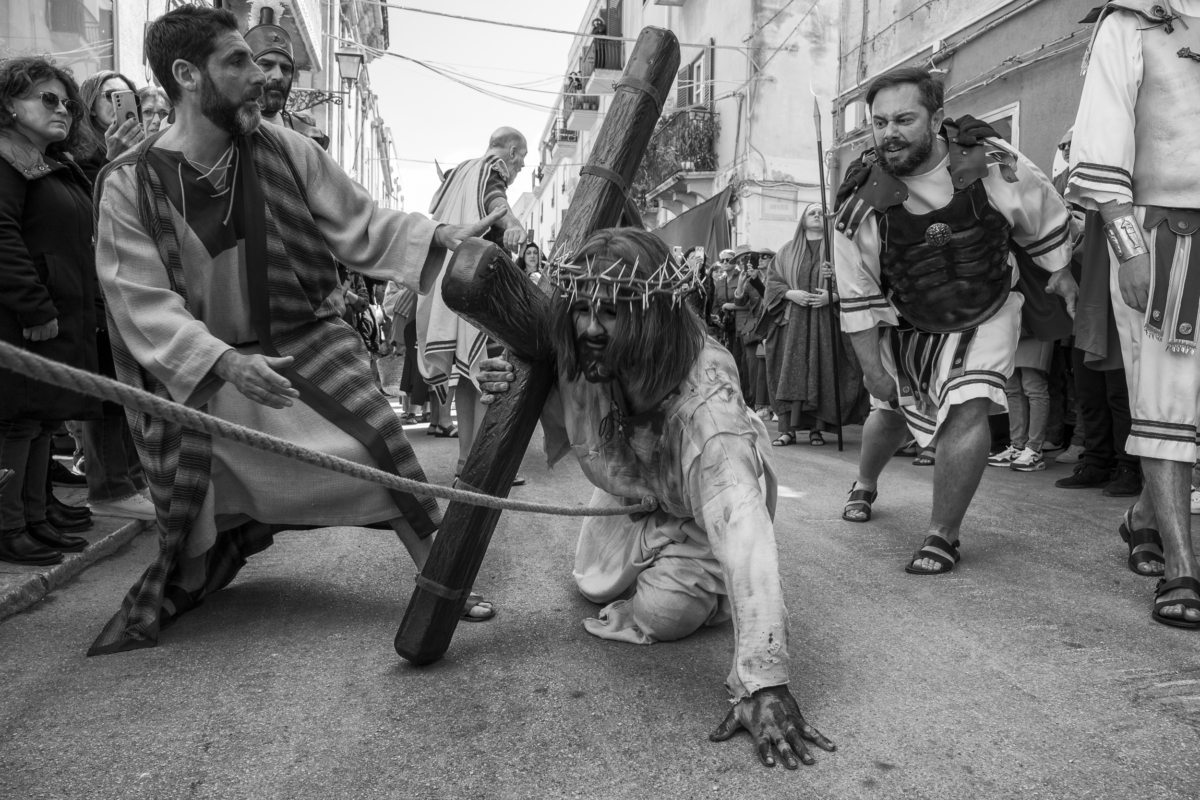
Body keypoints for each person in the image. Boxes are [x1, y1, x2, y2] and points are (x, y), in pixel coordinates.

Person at [89, 5, 502, 655]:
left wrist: (439, 236)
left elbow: (361, 221)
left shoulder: (284, 148)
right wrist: (224, 362)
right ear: (187, 76)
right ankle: (191, 578)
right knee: (195, 472)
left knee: (377, 439)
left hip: (303, 339)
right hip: (200, 365)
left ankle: (440, 572)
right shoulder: (127, 184)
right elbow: (139, 300)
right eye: (238, 60)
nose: (260, 75)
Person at [476, 227, 836, 769]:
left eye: (612, 313)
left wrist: (765, 682)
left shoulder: (709, 411)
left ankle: (708, 573)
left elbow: (742, 522)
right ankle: (673, 555)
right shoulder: (586, 346)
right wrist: (507, 375)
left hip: (704, 504)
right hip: (638, 491)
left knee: (665, 614)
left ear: (653, 317)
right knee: (593, 583)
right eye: (582, 310)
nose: (590, 328)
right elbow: (550, 385)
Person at [833, 68, 1077, 573]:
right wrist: (872, 371)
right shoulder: (860, 199)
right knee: (890, 414)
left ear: (936, 117)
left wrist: (1060, 272)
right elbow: (856, 292)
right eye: (879, 122)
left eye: (903, 119)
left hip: (987, 309)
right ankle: (866, 482)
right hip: (908, 322)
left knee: (968, 405)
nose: (889, 133)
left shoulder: (992, 163)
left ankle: (942, 534)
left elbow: (1044, 215)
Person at [1068, 0, 1200, 626]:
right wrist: (1127, 247)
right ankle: (1182, 567)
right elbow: (1103, 131)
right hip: (1167, 232)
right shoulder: (1131, 21)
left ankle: (1144, 517)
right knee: (1165, 397)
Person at [0, 56, 102, 565]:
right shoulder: (5, 159)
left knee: (41, 420)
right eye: (47, 98)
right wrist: (35, 307)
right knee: (16, 422)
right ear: (9, 104)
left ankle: (34, 517)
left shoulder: (46, 162)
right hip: (22, 319)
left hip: (55, 314)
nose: (62, 108)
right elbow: (2, 238)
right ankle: (8, 527)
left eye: (67, 103)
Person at [417, 127, 527, 479]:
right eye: (522, 160)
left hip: (451, 281)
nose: (521, 168)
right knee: (489, 374)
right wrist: (512, 222)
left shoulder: (460, 171)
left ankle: (466, 461)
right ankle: (482, 465)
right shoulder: (492, 168)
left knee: (468, 374)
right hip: (481, 286)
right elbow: (495, 200)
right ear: (512, 151)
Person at [762, 203, 865, 447]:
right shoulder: (787, 251)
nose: (817, 215)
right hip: (793, 324)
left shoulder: (838, 250)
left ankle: (817, 429)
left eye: (821, 212)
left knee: (823, 371)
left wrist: (834, 295)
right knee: (790, 373)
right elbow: (772, 283)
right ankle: (788, 430)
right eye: (812, 212)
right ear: (803, 220)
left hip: (824, 322)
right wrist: (790, 294)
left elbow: (857, 279)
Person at [245, 18, 329, 150]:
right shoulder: (226, 129)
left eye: (285, 68)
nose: (278, 76)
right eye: (267, 65)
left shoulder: (304, 132)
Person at [75, 70, 143, 184]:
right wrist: (112, 157)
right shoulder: (83, 154)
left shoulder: (142, 143)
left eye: (128, 97)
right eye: (111, 95)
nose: (121, 103)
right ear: (91, 107)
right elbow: (95, 193)